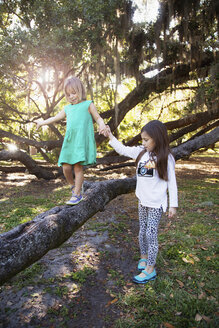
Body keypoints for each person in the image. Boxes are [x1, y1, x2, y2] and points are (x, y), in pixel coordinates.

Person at [105, 120, 178, 284]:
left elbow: (172, 182)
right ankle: (144, 257)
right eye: (142, 140)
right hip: (142, 201)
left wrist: (173, 205)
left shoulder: (166, 157)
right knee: (142, 231)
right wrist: (109, 135)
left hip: (156, 203)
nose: (143, 143)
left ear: (157, 138)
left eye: (146, 140)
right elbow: (122, 149)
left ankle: (150, 268)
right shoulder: (141, 152)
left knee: (150, 234)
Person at [35, 76, 107, 205]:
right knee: (66, 167)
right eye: (68, 94)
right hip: (69, 141)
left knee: (78, 168)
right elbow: (55, 117)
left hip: (80, 141)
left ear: (80, 91)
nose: (72, 96)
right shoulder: (67, 108)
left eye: (74, 93)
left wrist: (101, 125)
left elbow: (98, 118)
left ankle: (77, 194)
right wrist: (42, 122)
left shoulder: (88, 104)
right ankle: (74, 186)